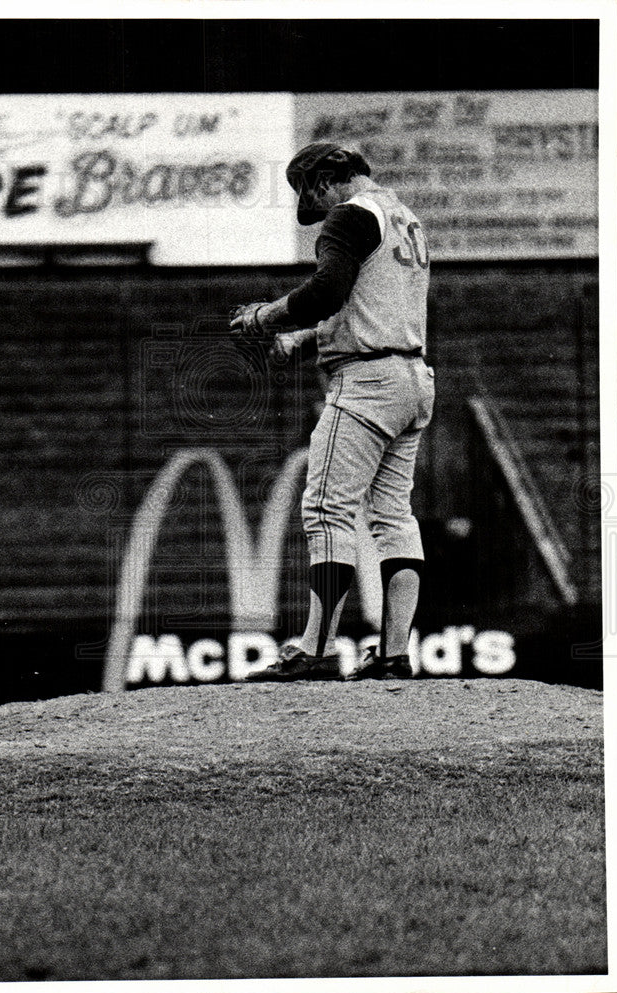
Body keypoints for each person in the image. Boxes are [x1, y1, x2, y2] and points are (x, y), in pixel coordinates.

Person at [230, 142, 434, 681]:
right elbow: (370, 305)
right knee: (394, 517)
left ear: (324, 181)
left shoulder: (349, 214)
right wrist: (301, 340)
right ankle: (393, 655)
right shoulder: (403, 216)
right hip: (412, 376)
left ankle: (314, 650)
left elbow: (328, 289)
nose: (315, 208)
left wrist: (264, 317)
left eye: (311, 195)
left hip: (366, 382)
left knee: (326, 510)